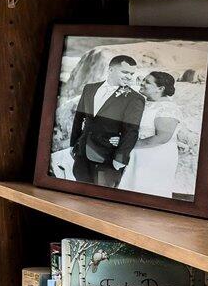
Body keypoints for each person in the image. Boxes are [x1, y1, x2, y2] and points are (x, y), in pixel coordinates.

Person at [68, 54, 143, 187]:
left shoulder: (134, 98)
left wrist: (120, 158)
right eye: (125, 72)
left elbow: (132, 131)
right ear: (110, 70)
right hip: (82, 153)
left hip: (108, 157)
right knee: (80, 193)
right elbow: (79, 118)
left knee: (101, 199)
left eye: (132, 73)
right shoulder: (90, 88)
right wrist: (74, 144)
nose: (129, 77)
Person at [118, 71, 184, 197]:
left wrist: (126, 144)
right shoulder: (144, 103)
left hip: (154, 157)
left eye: (147, 82)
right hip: (137, 153)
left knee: (147, 191)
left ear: (160, 88)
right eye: (143, 80)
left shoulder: (167, 108)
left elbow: (161, 138)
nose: (141, 83)